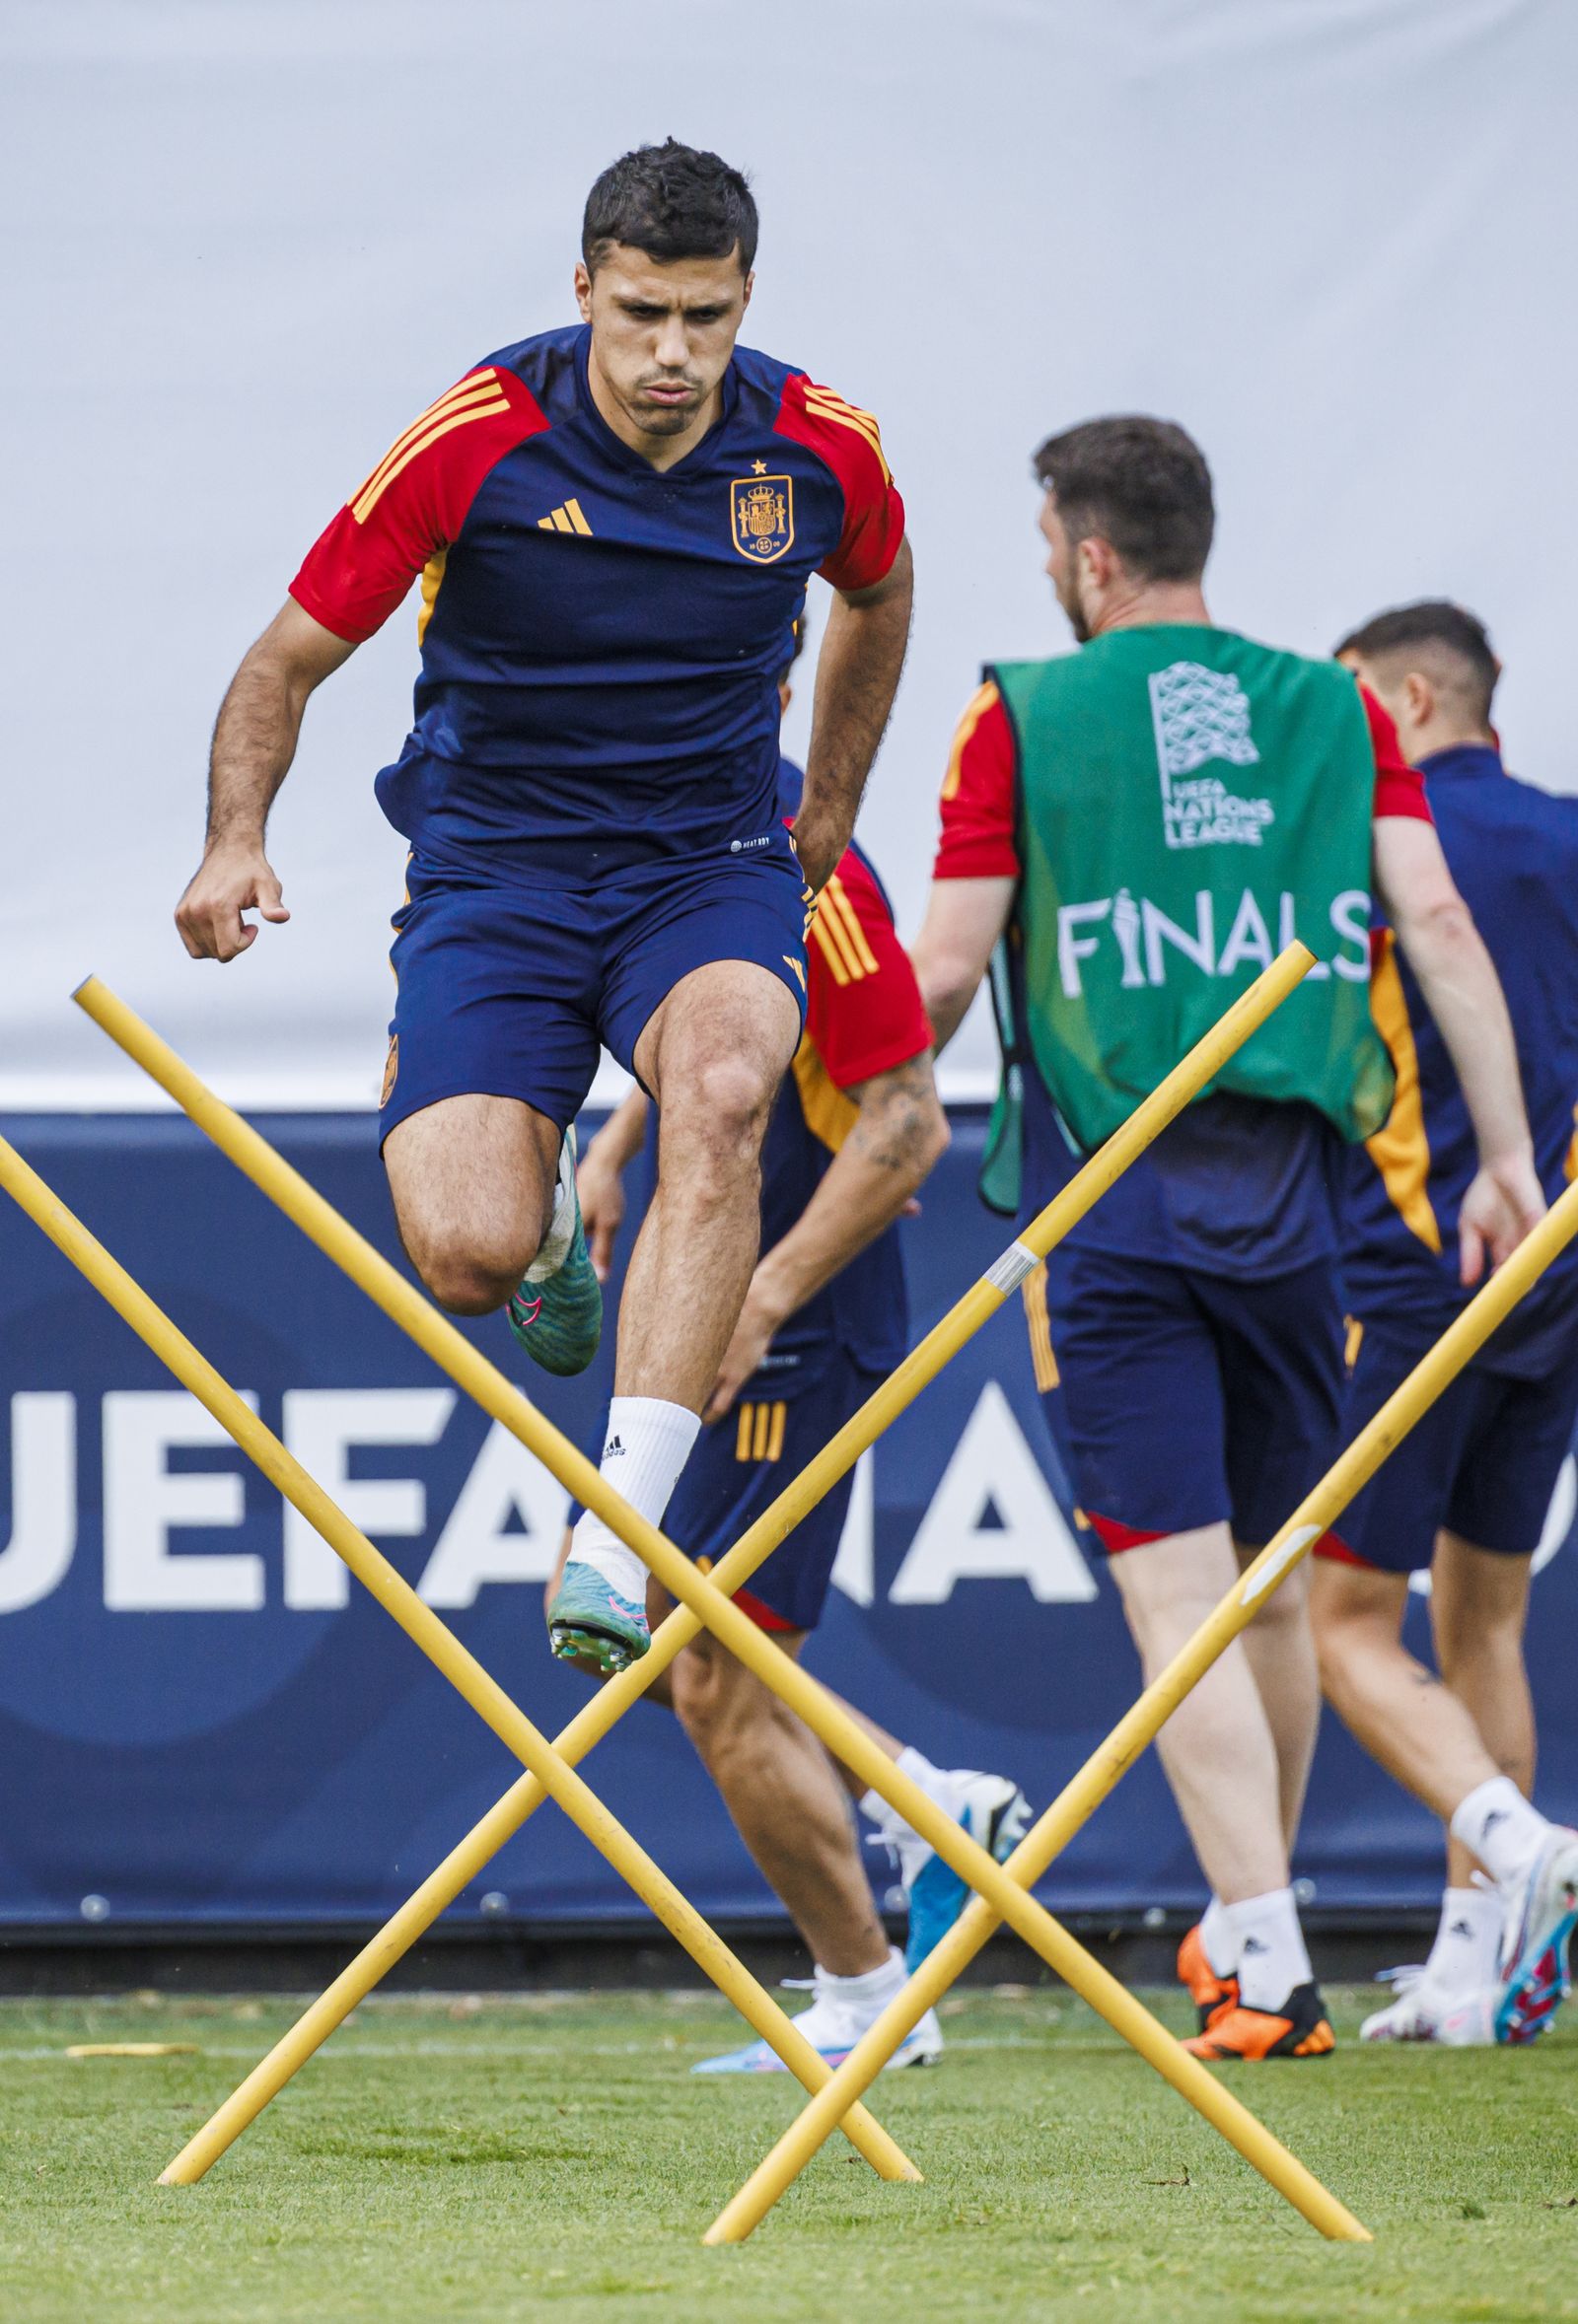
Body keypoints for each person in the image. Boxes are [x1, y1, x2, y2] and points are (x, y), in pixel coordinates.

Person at [172, 139, 912, 1680]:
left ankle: (617, 1532)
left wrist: (831, 802)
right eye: (641, 314)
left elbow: (881, 590)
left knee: (728, 1088)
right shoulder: (478, 435)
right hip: (496, 873)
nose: (672, 354)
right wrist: (235, 840)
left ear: (745, 301)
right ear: (584, 290)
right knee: (469, 1254)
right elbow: (284, 661)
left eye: (706, 318)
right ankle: (556, 1208)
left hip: (706, 862)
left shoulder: (818, 448)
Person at [907, 417, 1544, 2061]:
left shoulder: (1019, 712)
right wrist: (1506, 1162)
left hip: (1117, 1206)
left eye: (1049, 545)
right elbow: (1438, 923)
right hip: (1303, 1212)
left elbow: (945, 975)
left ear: (1090, 553)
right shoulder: (1337, 709)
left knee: (1182, 1604)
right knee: (1267, 1594)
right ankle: (1268, 1933)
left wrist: (836, 1106)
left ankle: (1277, 1954)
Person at [548, 655, 1032, 2074]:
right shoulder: (660, 825)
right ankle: (921, 1813)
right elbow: (705, 1032)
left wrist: (761, 1299)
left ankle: (872, 1989)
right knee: (638, 1620)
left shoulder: (813, 868)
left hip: (795, 1318)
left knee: (709, 1673)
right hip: (709, 1297)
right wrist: (618, 1142)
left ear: (757, 699)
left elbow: (906, 1123)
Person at [1310, 601, 1578, 2046]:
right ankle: (1479, 1970)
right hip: (1556, 1275)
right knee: (1487, 1620)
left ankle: (1525, 1859)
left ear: (1411, 700)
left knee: (1338, 1620)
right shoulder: (1570, 834)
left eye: (1356, 698)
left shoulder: (1385, 841)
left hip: (1416, 1267)